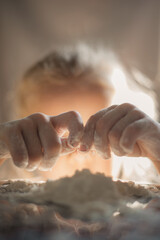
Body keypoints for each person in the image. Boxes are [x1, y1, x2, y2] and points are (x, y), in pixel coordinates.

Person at [0, 45, 115, 180]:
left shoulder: (145, 196)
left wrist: (147, 150)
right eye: (59, 139)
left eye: (98, 136)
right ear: (26, 143)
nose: (80, 158)